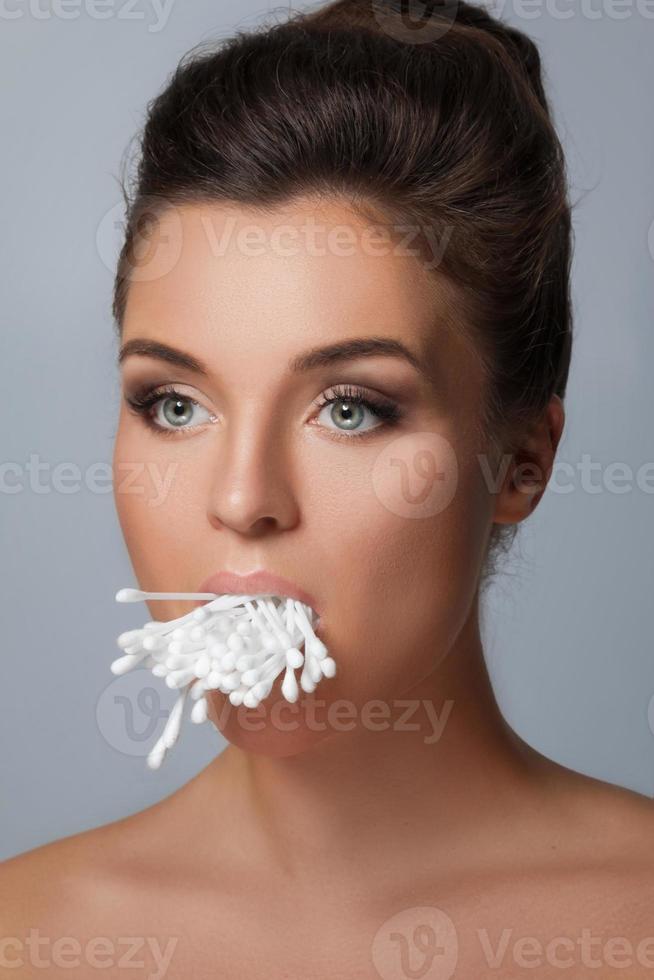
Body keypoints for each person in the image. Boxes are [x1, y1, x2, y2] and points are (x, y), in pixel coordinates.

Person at [3, 1, 653, 976]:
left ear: (522, 459)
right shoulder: (30, 936)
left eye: (351, 408)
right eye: (174, 403)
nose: (242, 497)